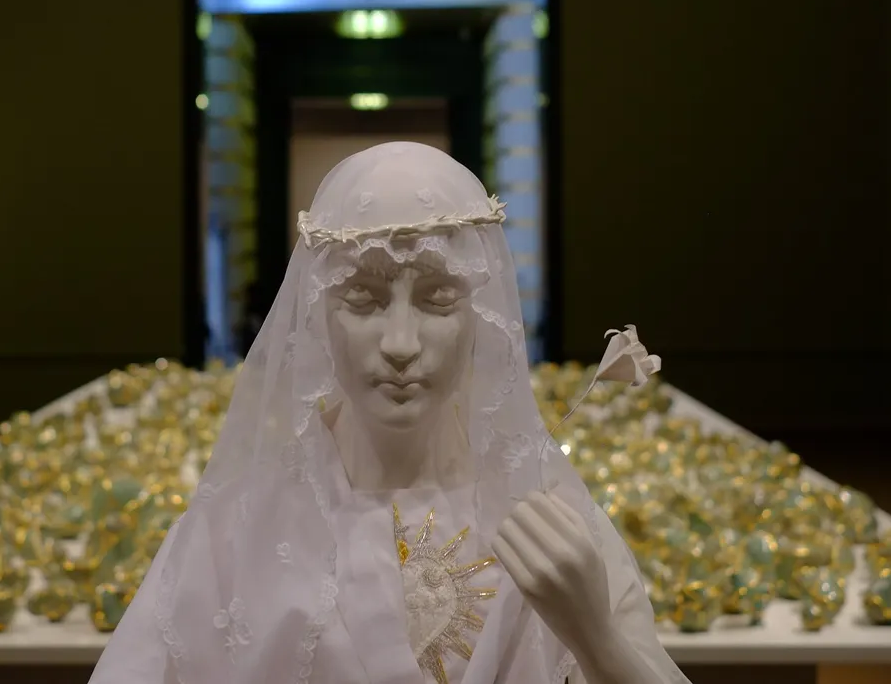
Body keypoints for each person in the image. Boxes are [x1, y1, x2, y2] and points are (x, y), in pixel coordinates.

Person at [90, 142, 689, 684]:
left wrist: (596, 638)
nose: (401, 343)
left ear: (481, 313)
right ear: (318, 310)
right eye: (363, 298)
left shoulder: (550, 518)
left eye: (438, 299)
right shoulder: (235, 531)